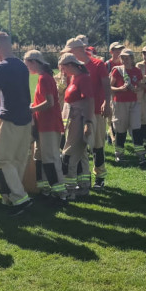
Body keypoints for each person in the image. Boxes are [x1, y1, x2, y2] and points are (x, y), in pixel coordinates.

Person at [0, 31, 34, 215]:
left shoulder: (1, 67)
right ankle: (10, 200)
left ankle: (20, 198)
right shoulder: (22, 66)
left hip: (10, 119)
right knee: (17, 161)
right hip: (25, 119)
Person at [67, 36, 111, 189]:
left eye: (70, 51)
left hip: (96, 111)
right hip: (79, 114)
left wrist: (107, 102)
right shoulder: (74, 68)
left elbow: (106, 85)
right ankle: (83, 179)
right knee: (80, 148)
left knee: (97, 146)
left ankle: (100, 176)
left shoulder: (97, 64)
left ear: (78, 50)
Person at [24, 49, 67, 202]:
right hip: (43, 125)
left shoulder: (44, 79)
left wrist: (31, 109)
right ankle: (45, 189)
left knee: (51, 158)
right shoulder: (44, 77)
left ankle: (60, 193)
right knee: (40, 157)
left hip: (49, 125)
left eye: (27, 64)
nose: (27, 68)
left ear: (34, 62)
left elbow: (50, 102)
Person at [58, 53, 93, 200]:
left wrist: (88, 122)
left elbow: (89, 101)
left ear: (71, 65)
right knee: (81, 154)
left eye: (64, 68)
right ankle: (84, 186)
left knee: (69, 155)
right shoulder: (74, 78)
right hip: (74, 120)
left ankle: (69, 189)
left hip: (80, 120)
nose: (63, 71)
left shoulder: (83, 79)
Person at [111, 49, 146, 166]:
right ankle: (119, 154)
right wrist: (120, 89)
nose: (125, 60)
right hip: (120, 103)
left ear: (132, 58)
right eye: (123, 58)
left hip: (134, 102)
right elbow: (109, 87)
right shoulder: (117, 71)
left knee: (136, 128)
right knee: (121, 129)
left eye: (127, 58)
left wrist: (137, 88)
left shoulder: (137, 71)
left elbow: (140, 85)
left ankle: (141, 154)